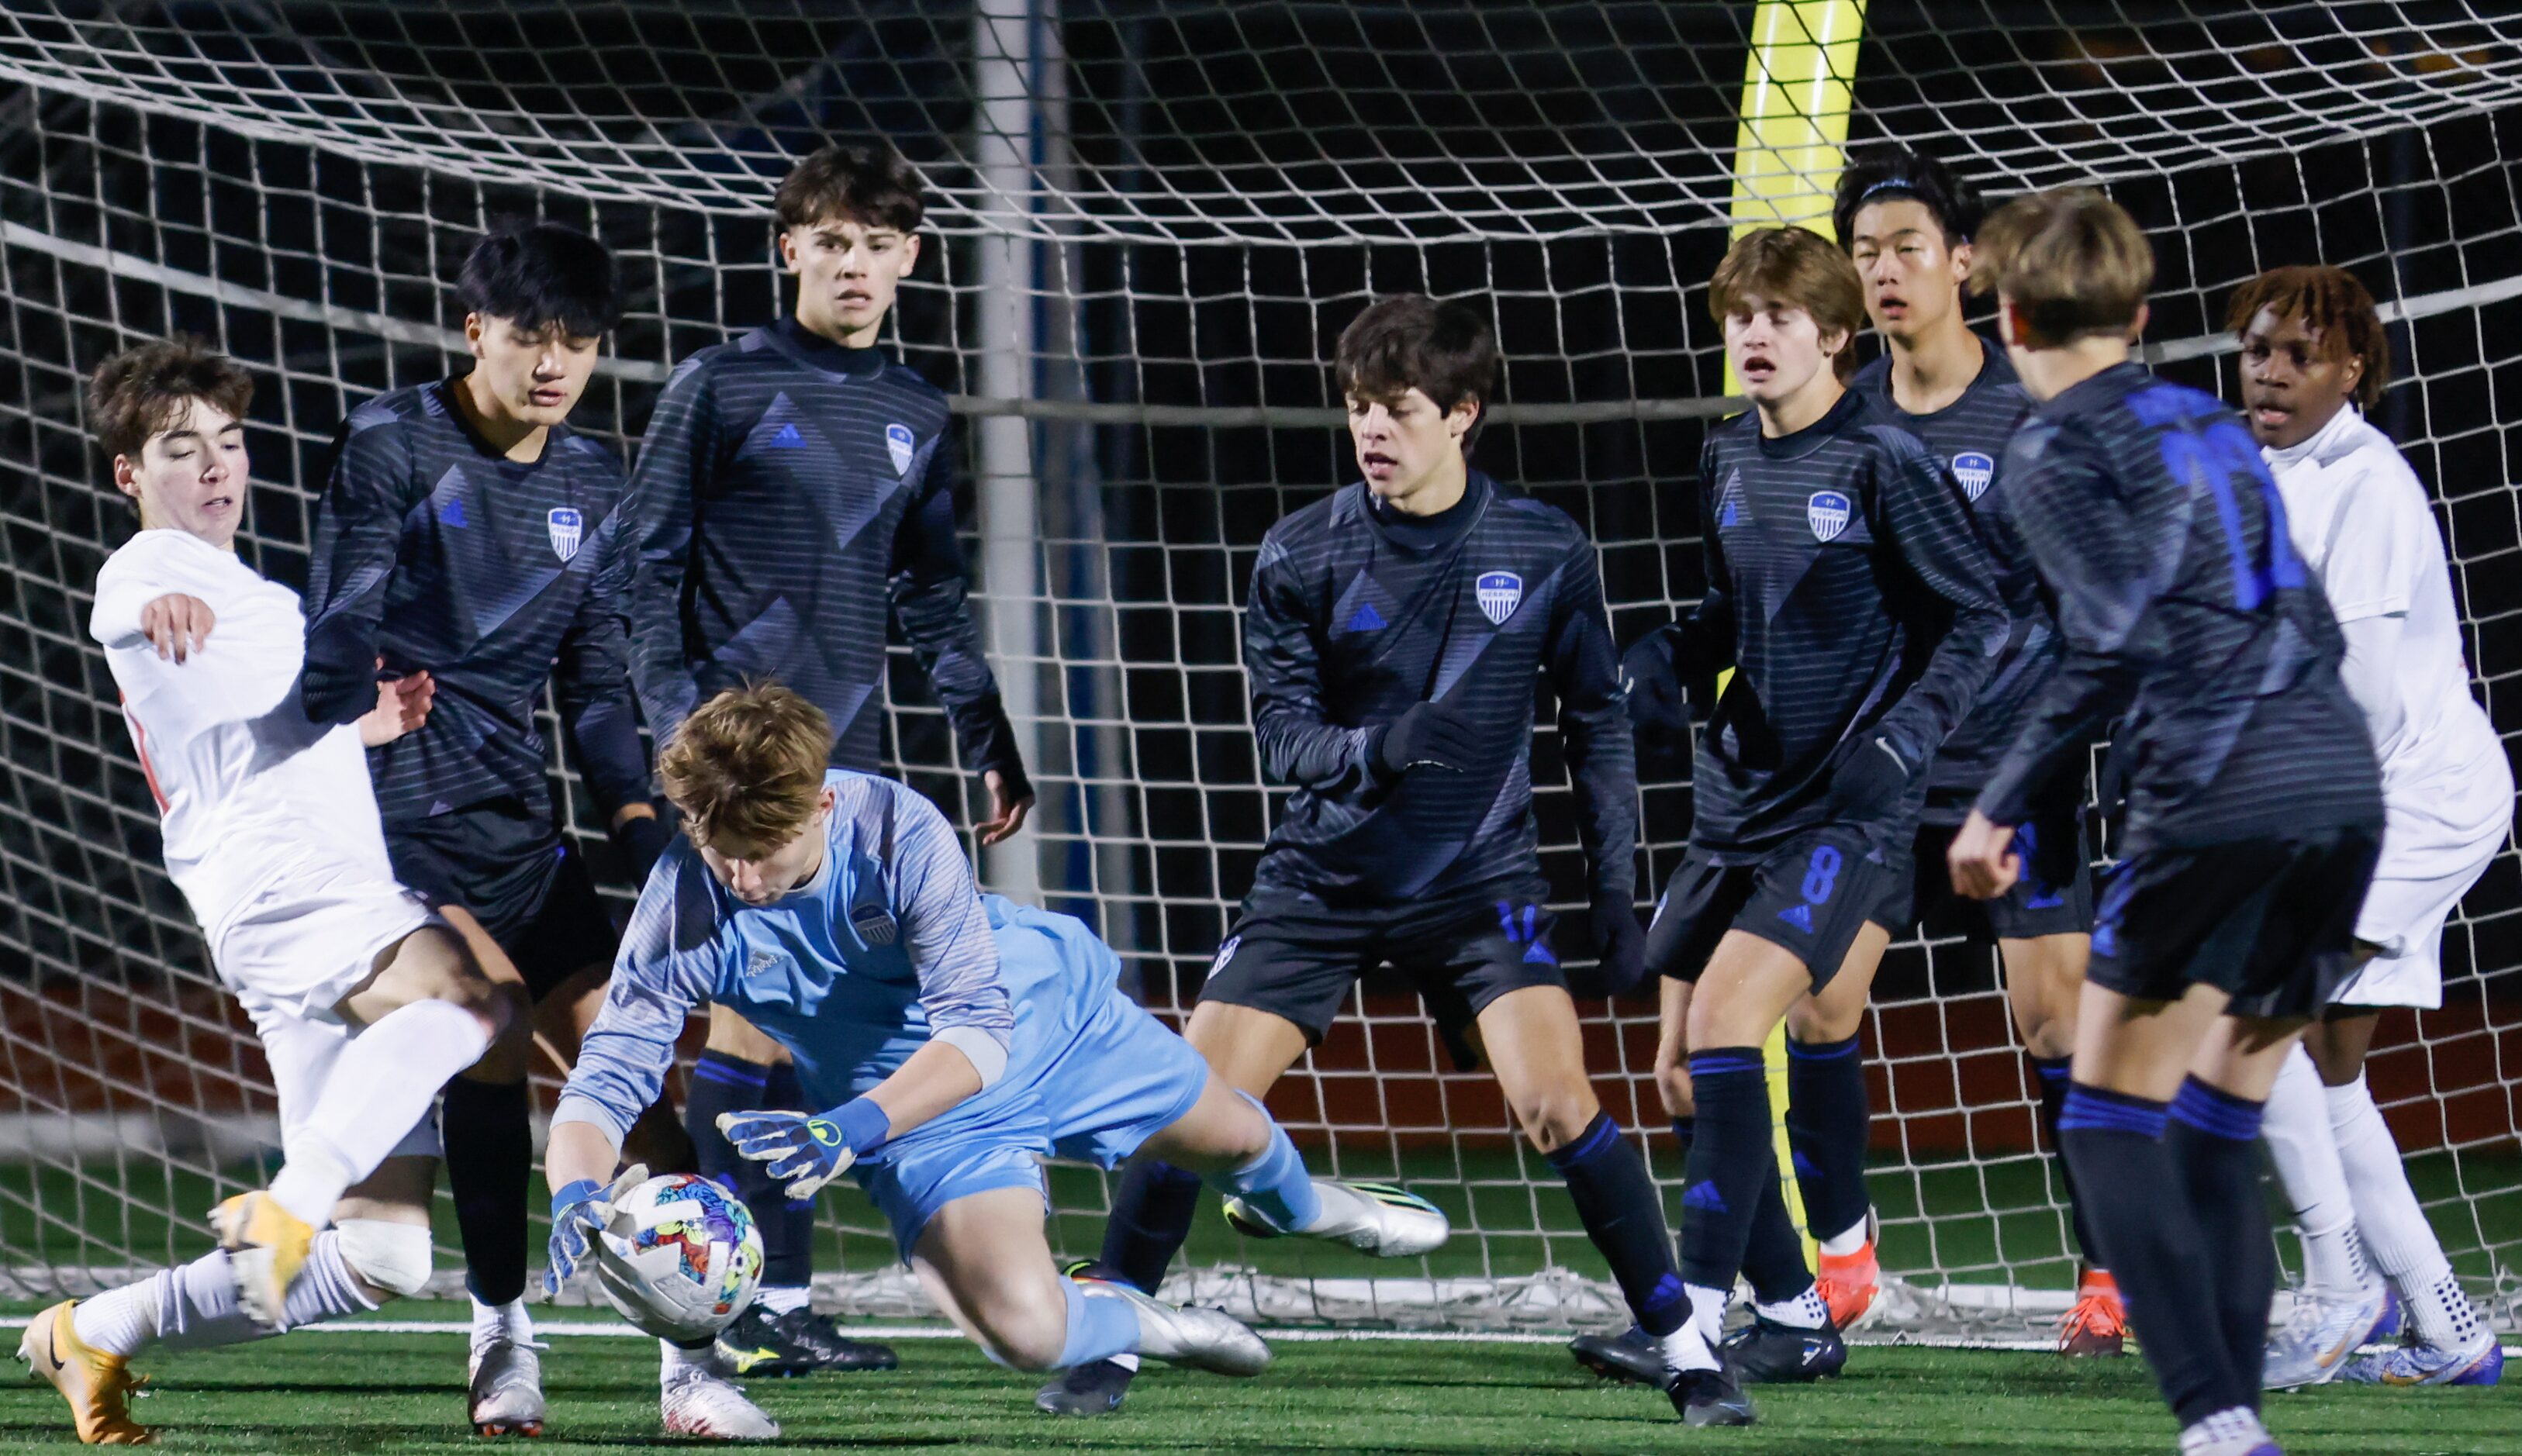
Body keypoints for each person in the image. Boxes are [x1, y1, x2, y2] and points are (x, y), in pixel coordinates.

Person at [1050, 292, 1740, 1425]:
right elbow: (1282, 739)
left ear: (1464, 412)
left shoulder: (1544, 548)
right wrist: (1382, 746)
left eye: (1400, 409)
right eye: (1360, 407)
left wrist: (1614, 891)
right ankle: (1111, 1342)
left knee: (1559, 1105)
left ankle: (1685, 1345)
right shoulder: (1302, 553)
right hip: (1319, 882)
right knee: (1186, 1106)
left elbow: (1597, 725)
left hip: (1479, 888)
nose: (1373, 429)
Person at [541, 683, 1446, 1438]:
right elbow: (610, 1071)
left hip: (1044, 1023)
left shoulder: (898, 831)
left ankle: (1320, 1208)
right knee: (1025, 1333)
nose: (740, 881)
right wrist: (578, 1184)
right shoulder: (689, 895)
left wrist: (844, 1128)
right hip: (921, 1117)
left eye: (761, 855)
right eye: (719, 851)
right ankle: (1153, 1323)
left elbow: (976, 1030)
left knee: (1241, 1138)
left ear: (819, 805)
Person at [1950, 191, 2386, 1456]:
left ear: (2009, 316)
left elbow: (2115, 636)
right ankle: (2234, 1412)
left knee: (2100, 1113)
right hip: (2335, 775)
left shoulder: (2048, 449)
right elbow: (2293, 613)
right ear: (2139, 318)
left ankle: (2214, 1421)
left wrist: (1995, 799)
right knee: (2219, 1105)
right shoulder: (2205, 416)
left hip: (2215, 779)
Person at [24, 337, 516, 1445]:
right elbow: (128, 609)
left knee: (381, 1254)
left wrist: (359, 719)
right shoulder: (153, 571)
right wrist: (156, 619)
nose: (214, 466)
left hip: (287, 911)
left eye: (230, 442)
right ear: (128, 475)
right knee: (478, 1006)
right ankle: (282, 1206)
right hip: (297, 894)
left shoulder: (256, 593)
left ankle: (92, 1328)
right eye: (179, 447)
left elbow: (265, 715)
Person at [620, 140, 1030, 1375]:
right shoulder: (721, 385)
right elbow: (644, 569)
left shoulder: (916, 409)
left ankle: (757, 1299)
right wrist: (680, 740)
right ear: (788, 246)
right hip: (727, 766)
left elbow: (930, 594)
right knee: (745, 1018)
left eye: (881, 243)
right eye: (835, 241)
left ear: (911, 258)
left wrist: (983, 728)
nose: (857, 264)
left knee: (784, 1026)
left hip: (836, 762)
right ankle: (745, 1304)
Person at [1605, 226, 2007, 1394]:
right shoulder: (1727, 456)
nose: (1755, 337)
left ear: (1835, 334)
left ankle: (1690, 1324)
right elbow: (1726, 613)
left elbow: (1984, 619)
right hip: (1737, 803)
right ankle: (1793, 1312)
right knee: (1682, 1072)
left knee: (1731, 1029)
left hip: (1845, 817)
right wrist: (1668, 657)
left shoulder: (1885, 457)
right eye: (1740, 317)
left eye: (1780, 318)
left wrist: (1904, 741)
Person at [299, 222, 681, 1434]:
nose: (555, 363)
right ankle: (502, 1336)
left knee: (638, 1090)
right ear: (476, 331)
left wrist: (638, 823)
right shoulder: (391, 443)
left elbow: (597, 685)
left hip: (524, 824)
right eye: (531, 338)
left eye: (579, 342)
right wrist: (348, 694)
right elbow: (339, 612)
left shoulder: (596, 483)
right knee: (495, 1031)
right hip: (398, 823)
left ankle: (693, 1364)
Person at [1838, 147, 2120, 1353]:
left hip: (2018, 774)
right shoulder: (1839, 419)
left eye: (1908, 245)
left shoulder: (2034, 410)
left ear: (1965, 262)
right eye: (1864, 253)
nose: (1885, 271)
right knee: (1817, 1002)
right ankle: (1839, 1266)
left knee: (2055, 1029)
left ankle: (2108, 1277)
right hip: (1886, 773)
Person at [2231, 265, 2509, 1390]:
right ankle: (2450, 1332)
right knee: (2327, 1064)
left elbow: (2368, 694)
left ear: (2353, 372)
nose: (2272, 370)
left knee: (2254, 1014)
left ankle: (2342, 1290)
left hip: (2414, 797)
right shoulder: (2257, 472)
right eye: (2258, 348)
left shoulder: (2370, 481)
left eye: (2301, 354)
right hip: (2355, 796)